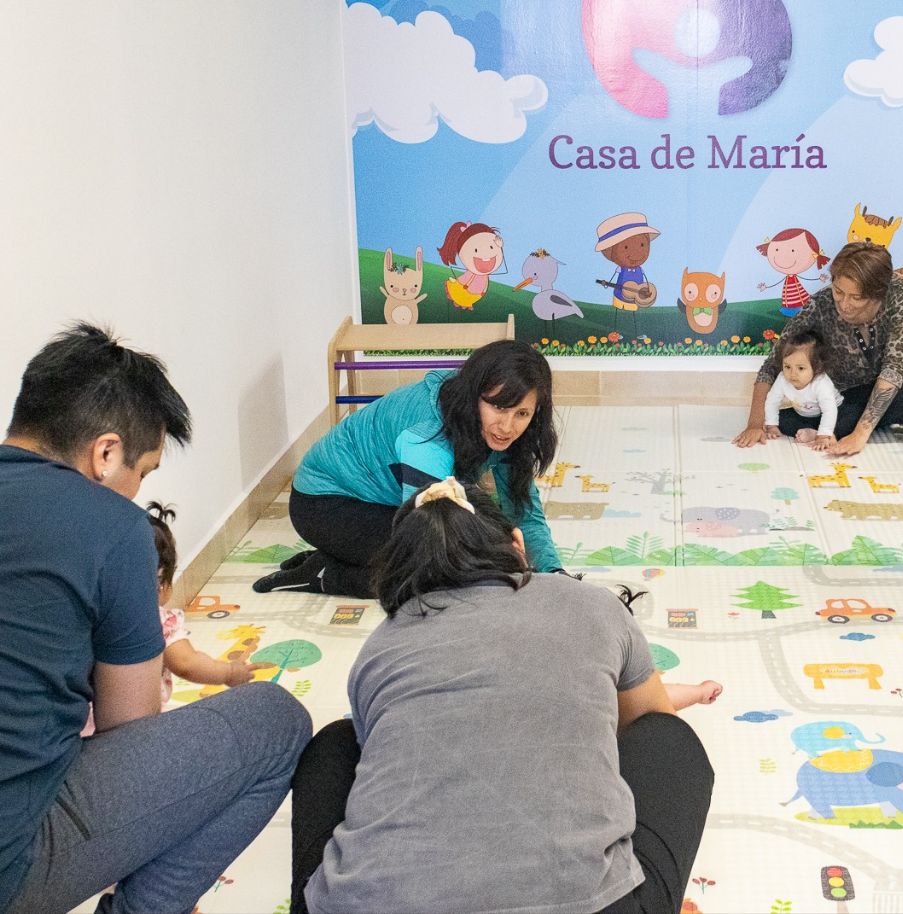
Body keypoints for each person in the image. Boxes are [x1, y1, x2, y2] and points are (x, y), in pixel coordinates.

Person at [291, 477, 714, 914]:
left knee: (336, 742)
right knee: (669, 738)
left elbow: (377, 759)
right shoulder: (592, 603)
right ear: (517, 543)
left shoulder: (381, 645)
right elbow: (648, 717)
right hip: (592, 905)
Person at [0, 323, 310, 914]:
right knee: (277, 721)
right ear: (106, 453)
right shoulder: (111, 526)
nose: (138, 492)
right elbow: (130, 727)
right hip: (14, 855)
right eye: (143, 471)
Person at [253, 339, 562, 598]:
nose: (507, 426)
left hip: (385, 504)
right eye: (498, 408)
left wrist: (554, 574)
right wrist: (500, 555)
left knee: (487, 554)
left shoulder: (505, 430)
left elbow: (524, 512)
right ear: (475, 396)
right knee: (446, 578)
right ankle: (327, 573)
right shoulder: (428, 436)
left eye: (522, 413)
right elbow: (429, 533)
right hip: (325, 506)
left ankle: (345, 554)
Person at [734, 241, 903, 457]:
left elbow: (895, 367)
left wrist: (860, 434)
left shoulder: (902, 291)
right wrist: (755, 423)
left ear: (878, 294)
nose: (844, 304)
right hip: (858, 395)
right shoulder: (820, 305)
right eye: (838, 291)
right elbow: (772, 364)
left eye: (856, 297)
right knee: (788, 422)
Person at [82, 503, 270, 736]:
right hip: (129, 731)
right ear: (160, 581)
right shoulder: (158, 621)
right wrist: (229, 672)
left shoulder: (82, 614)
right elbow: (187, 663)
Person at [763, 331, 844, 451]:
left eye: (800, 368)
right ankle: (813, 432)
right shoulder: (782, 378)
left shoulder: (821, 383)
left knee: (845, 423)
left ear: (817, 368)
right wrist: (772, 425)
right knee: (782, 420)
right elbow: (772, 401)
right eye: (787, 367)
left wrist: (822, 436)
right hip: (804, 415)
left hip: (834, 412)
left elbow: (829, 411)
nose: (792, 373)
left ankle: (823, 434)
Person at [756, 227, 830, 317]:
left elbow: (808, 279)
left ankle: (799, 308)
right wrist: (766, 287)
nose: (783, 257)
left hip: (801, 298)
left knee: (802, 303)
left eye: (793, 251)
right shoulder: (788, 278)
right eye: (777, 250)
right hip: (790, 300)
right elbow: (776, 283)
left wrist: (819, 278)